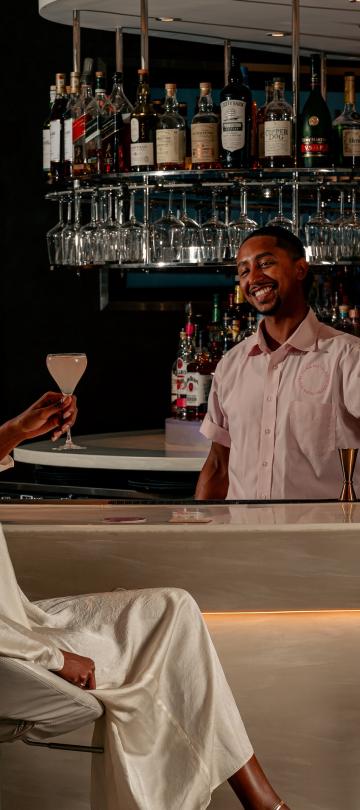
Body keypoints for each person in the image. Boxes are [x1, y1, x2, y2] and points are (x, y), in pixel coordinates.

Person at [0, 398, 290, 810]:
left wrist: (16, 430)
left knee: (172, 610)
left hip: (18, 620)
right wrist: (53, 656)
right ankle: (265, 803)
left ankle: (262, 802)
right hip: (13, 651)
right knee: (162, 661)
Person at [196, 225, 360, 501]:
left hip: (320, 541)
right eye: (244, 271)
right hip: (241, 538)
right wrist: (197, 539)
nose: (254, 278)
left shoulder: (347, 357)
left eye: (266, 263)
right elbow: (218, 465)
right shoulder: (232, 365)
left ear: (300, 269)